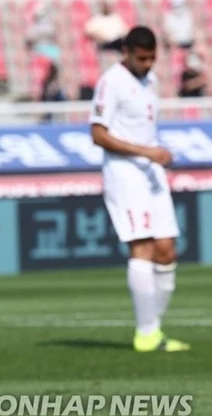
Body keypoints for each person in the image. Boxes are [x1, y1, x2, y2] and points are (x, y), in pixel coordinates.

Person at [89, 26, 189, 353]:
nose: (147, 64)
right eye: (141, 58)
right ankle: (147, 333)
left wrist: (154, 153)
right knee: (142, 246)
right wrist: (146, 152)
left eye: (151, 59)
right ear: (127, 53)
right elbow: (98, 134)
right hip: (125, 173)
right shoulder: (112, 82)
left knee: (166, 249)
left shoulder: (151, 80)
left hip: (151, 171)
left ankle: (154, 328)